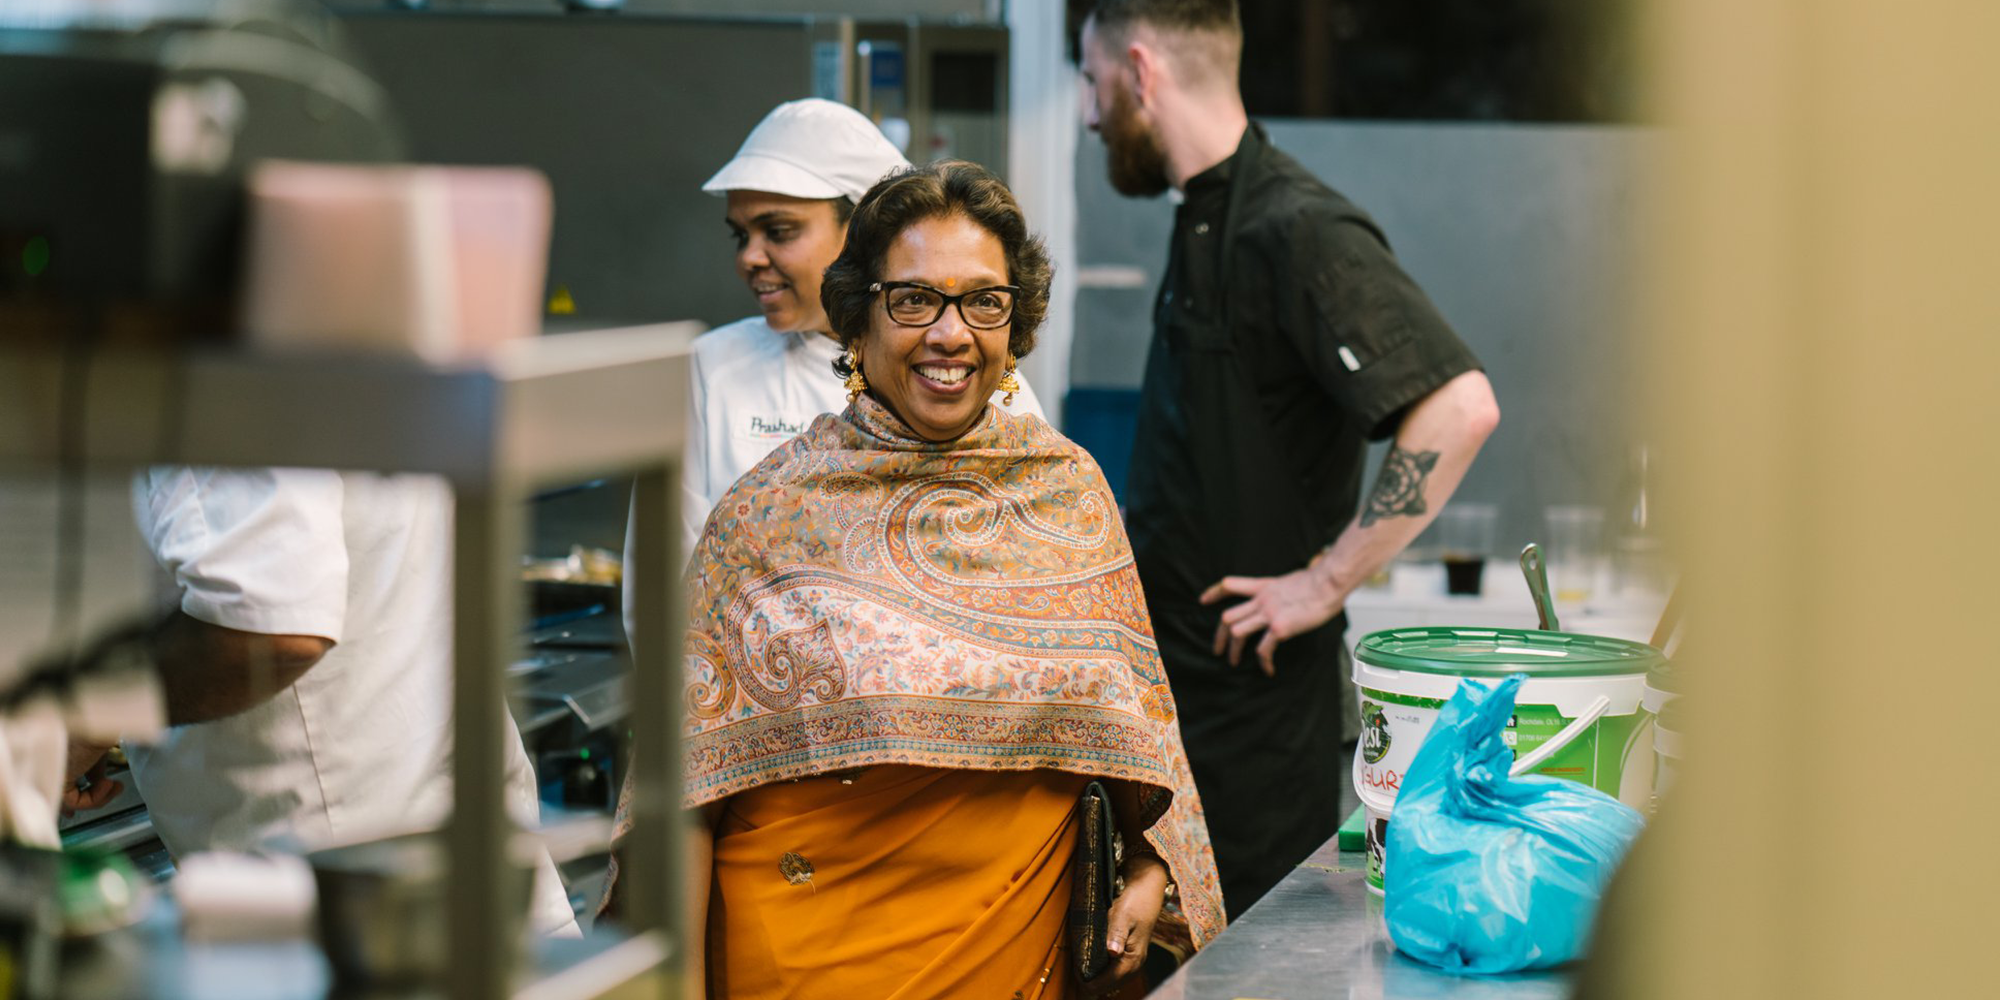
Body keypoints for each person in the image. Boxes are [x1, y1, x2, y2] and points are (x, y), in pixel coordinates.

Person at [611, 160, 1222, 998]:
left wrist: (1152, 867)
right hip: (800, 958)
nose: (951, 333)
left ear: (1015, 325)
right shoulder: (768, 517)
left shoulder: (1068, 496)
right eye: (913, 301)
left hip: (1010, 960)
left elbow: (1138, 736)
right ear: (858, 321)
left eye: (983, 301)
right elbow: (684, 788)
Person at [1077, 0, 1501, 917]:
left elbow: (1460, 408)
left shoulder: (1293, 226)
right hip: (1183, 716)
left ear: (1141, 72)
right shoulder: (1204, 218)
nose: (1087, 112)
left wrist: (1323, 581)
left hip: (1258, 738)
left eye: (1093, 81)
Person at [64, 467, 577, 935]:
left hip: (340, 898)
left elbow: (269, 629)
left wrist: (86, 721)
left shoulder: (210, 377)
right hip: (447, 856)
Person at [680, 98, 1046, 555]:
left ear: (860, 234)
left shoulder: (977, 376)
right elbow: (666, 596)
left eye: (778, 231)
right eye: (741, 235)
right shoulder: (712, 369)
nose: (748, 259)